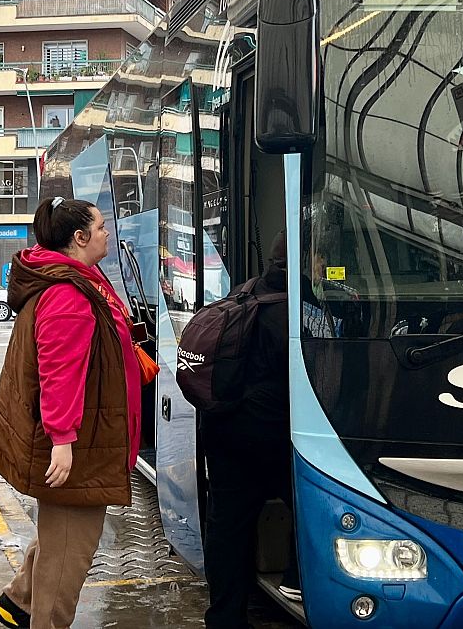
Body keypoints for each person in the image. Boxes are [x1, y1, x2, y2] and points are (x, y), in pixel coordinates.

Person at [0, 197, 142, 629]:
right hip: (82, 442)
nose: (108, 233)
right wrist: (63, 440)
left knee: (59, 536)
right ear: (80, 237)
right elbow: (60, 373)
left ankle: (18, 602)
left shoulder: (70, 281)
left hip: (86, 435)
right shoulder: (69, 293)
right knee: (69, 552)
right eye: (102, 226)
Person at [201, 234, 302, 629]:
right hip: (271, 435)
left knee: (228, 526)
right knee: (312, 505)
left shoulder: (247, 293)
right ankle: (297, 580)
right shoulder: (297, 314)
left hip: (224, 430)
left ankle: (225, 617)